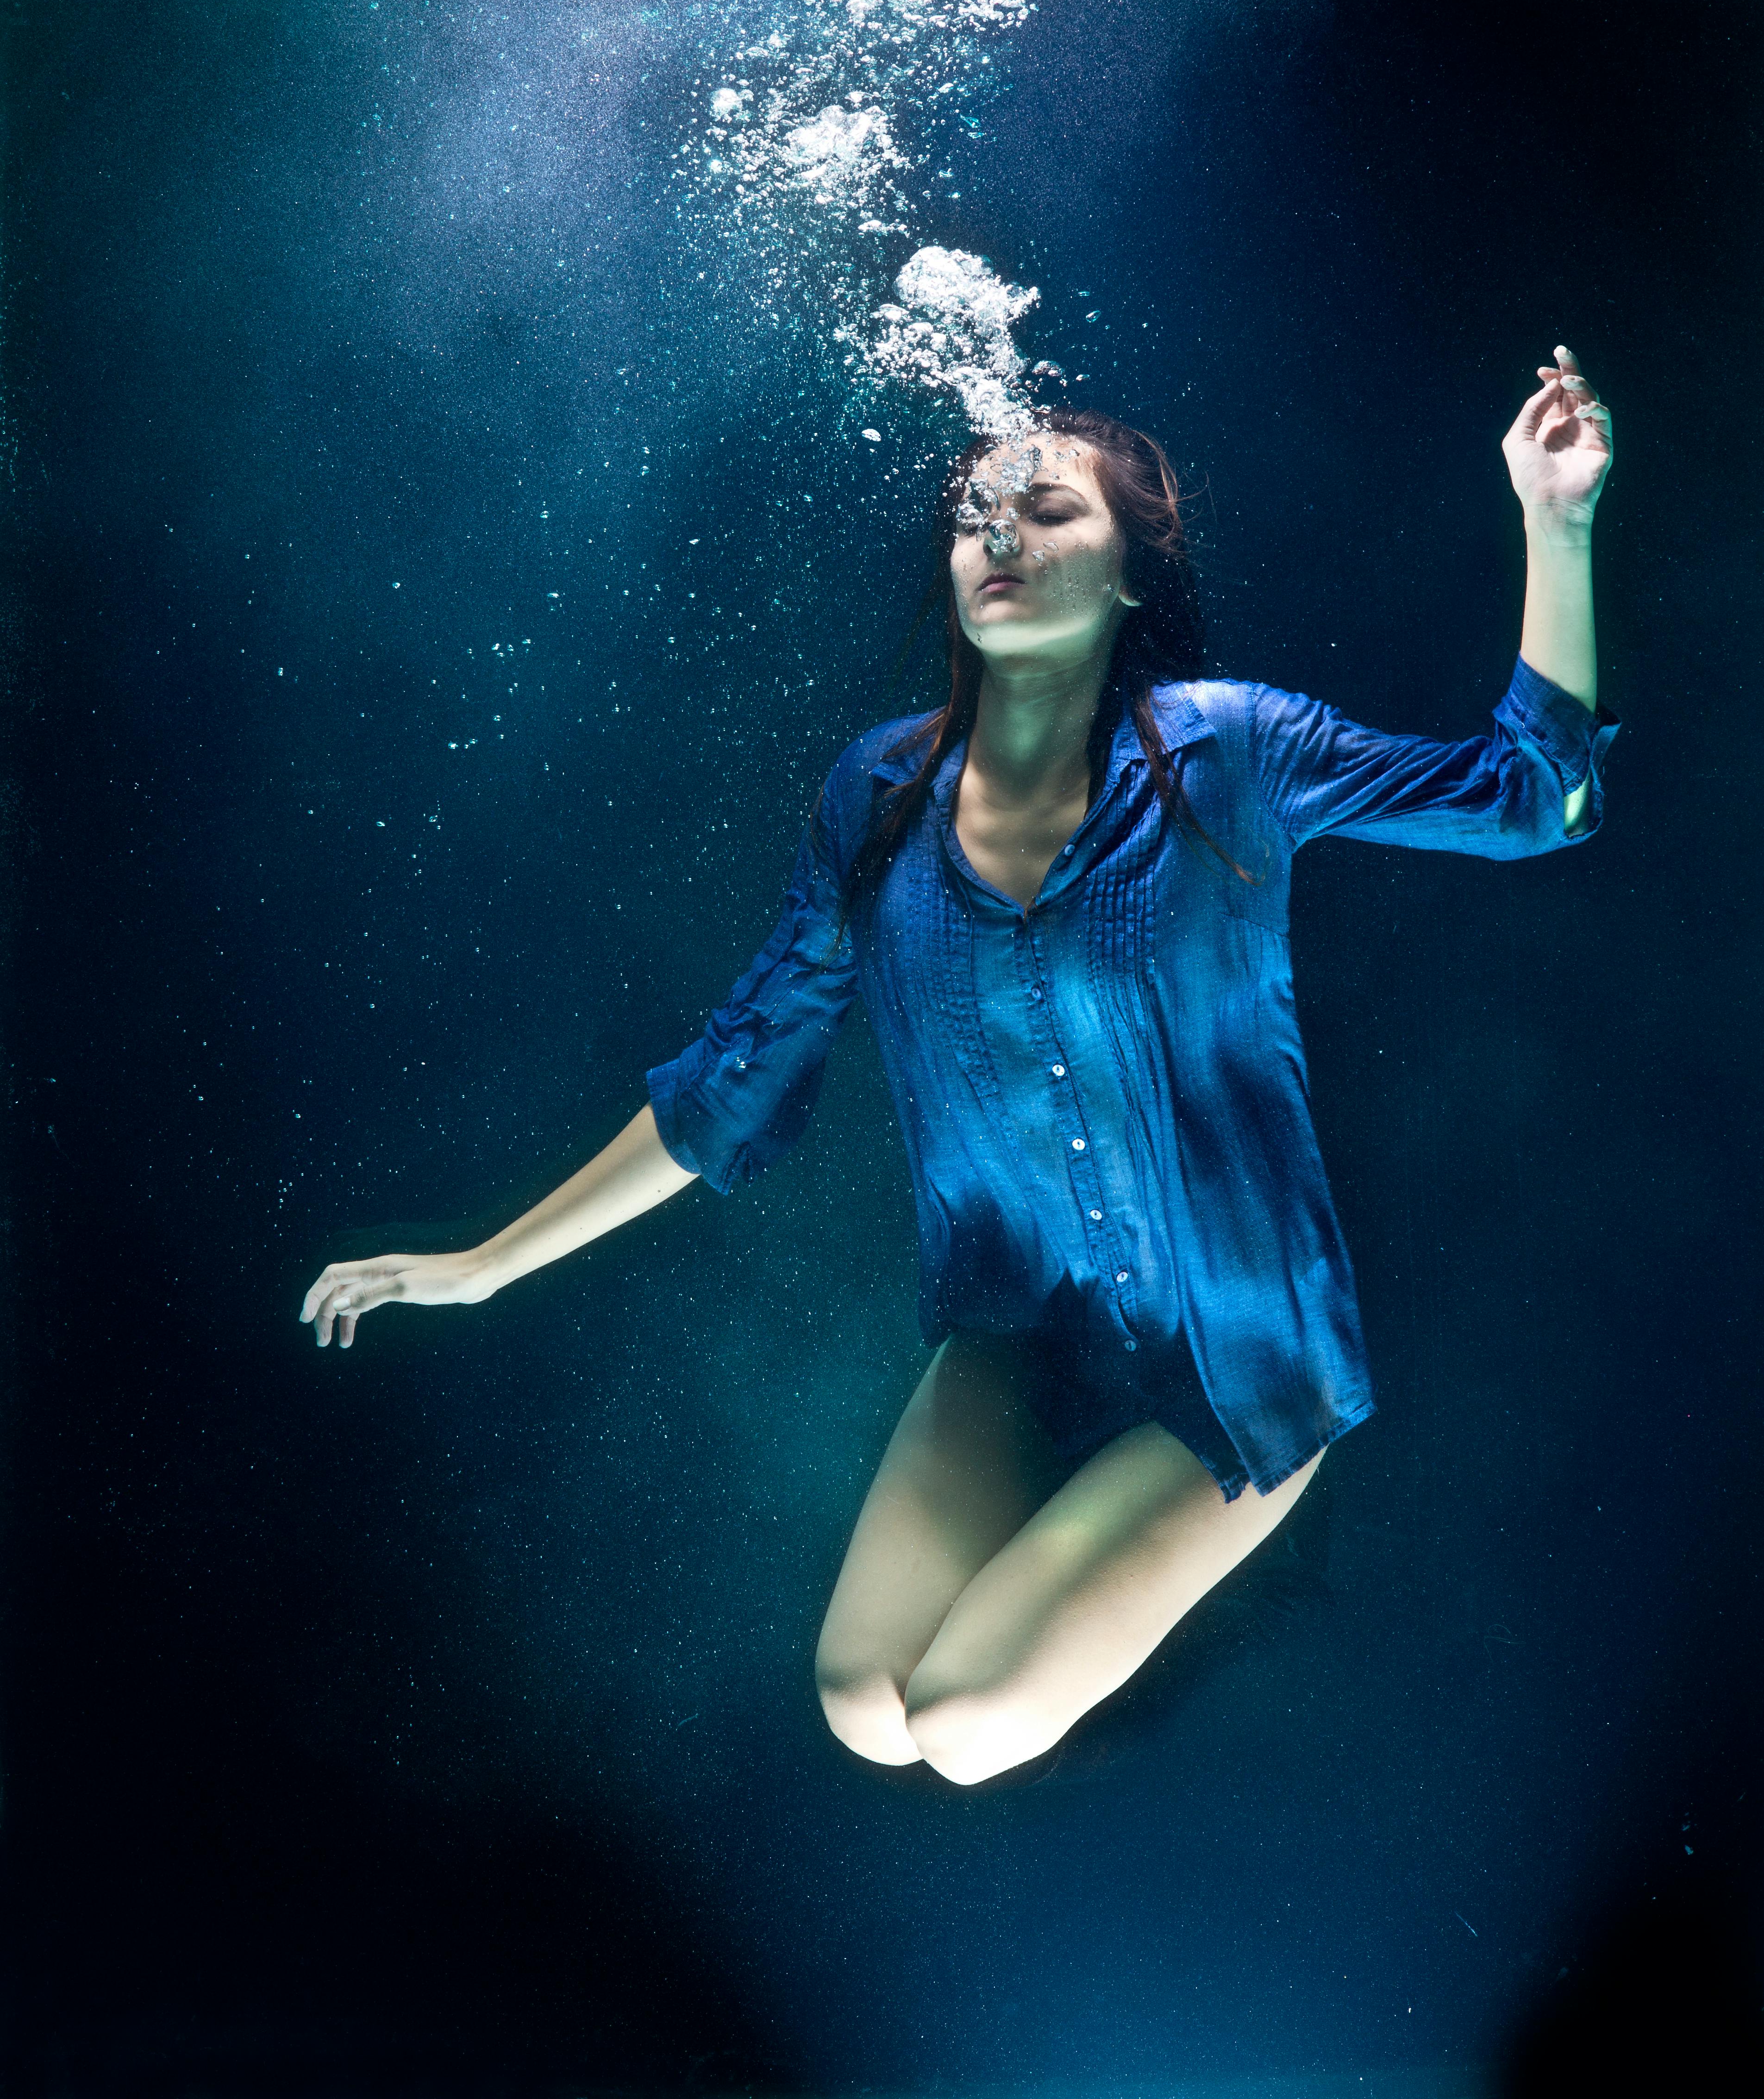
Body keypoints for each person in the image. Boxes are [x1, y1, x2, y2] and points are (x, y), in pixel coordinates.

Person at [301, 349, 1615, 1787]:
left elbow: (1529, 801)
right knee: (867, 1707)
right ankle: (1086, 1552)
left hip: (1240, 1349)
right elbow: (736, 1077)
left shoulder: (1234, 748)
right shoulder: (875, 793)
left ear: (1129, 572)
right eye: (976, 514)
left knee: (971, 1721)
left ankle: (1201, 1563)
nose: (999, 537)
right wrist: (487, 1263)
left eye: (1048, 512)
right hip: (1014, 1336)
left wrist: (1554, 522)